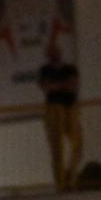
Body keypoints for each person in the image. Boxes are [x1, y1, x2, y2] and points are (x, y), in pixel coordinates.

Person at [38, 42, 82, 191]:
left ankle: (70, 177)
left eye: (56, 51)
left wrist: (57, 86)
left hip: (70, 108)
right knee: (57, 149)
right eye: (51, 52)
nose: (55, 54)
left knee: (78, 144)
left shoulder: (70, 68)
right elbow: (47, 88)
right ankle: (60, 183)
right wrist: (62, 85)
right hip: (54, 109)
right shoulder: (45, 70)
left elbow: (73, 86)